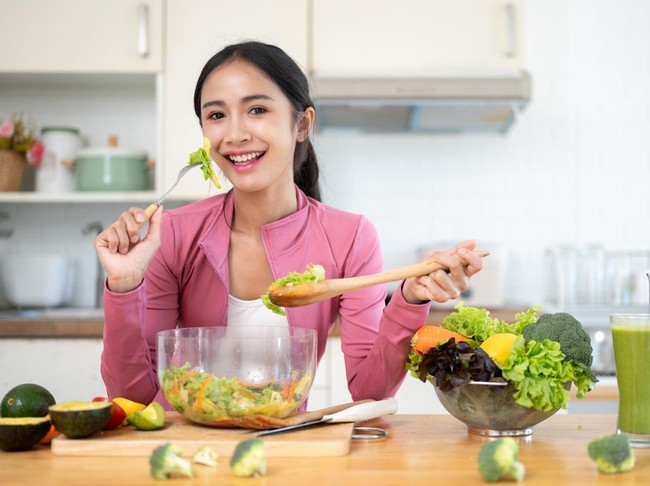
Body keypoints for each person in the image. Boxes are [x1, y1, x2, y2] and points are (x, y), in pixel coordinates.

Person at [95, 41, 483, 408]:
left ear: (302, 124)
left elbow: (370, 389)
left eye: (257, 110)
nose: (235, 134)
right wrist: (124, 285)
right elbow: (135, 398)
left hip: (284, 450)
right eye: (216, 115)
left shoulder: (349, 237)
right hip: (187, 455)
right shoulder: (174, 233)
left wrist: (411, 299)